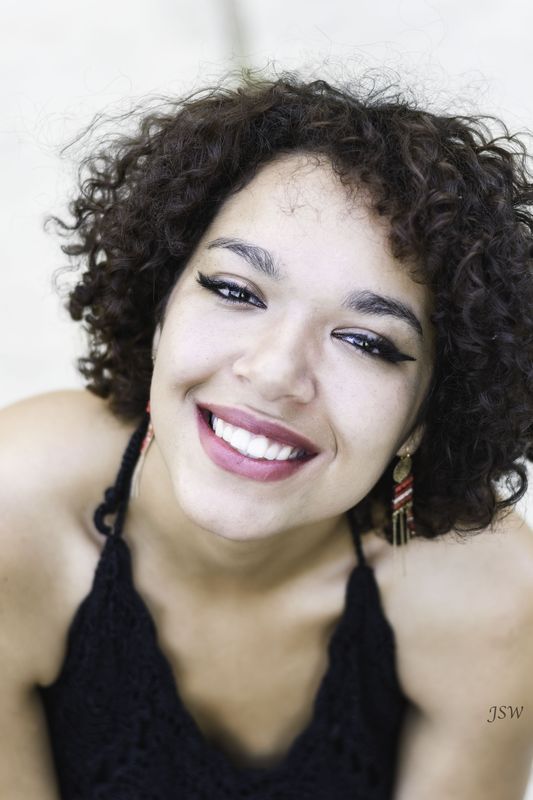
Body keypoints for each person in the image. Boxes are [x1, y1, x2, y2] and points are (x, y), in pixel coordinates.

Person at [1, 72, 532, 800]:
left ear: (427, 413)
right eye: (235, 291)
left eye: (366, 341)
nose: (277, 372)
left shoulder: (492, 598)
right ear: (160, 306)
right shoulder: (15, 512)